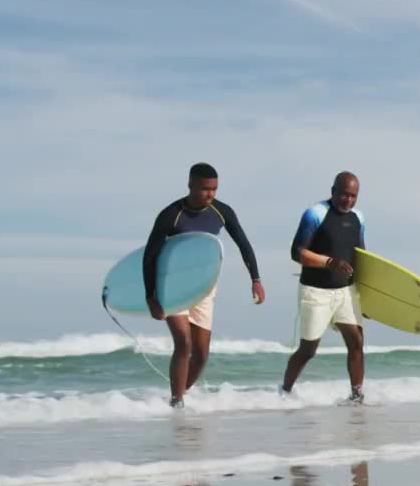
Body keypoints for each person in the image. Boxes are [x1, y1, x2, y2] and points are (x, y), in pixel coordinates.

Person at [144, 162, 265, 408]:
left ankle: (179, 395)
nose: (210, 194)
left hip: (204, 287)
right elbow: (150, 255)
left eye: (214, 189)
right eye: (204, 189)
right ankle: (177, 403)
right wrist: (151, 296)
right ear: (190, 185)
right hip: (173, 286)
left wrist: (256, 279)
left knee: (200, 355)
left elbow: (244, 244)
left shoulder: (222, 211)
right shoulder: (171, 214)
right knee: (184, 343)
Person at [281, 171, 366, 402]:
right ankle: (285, 393)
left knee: (356, 341)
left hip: (346, 291)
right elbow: (297, 252)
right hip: (315, 291)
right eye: (344, 195)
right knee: (309, 350)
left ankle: (357, 396)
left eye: (353, 196)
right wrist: (329, 262)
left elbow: (362, 257)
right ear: (333, 191)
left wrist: (369, 296)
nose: (348, 200)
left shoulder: (358, 217)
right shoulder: (315, 214)